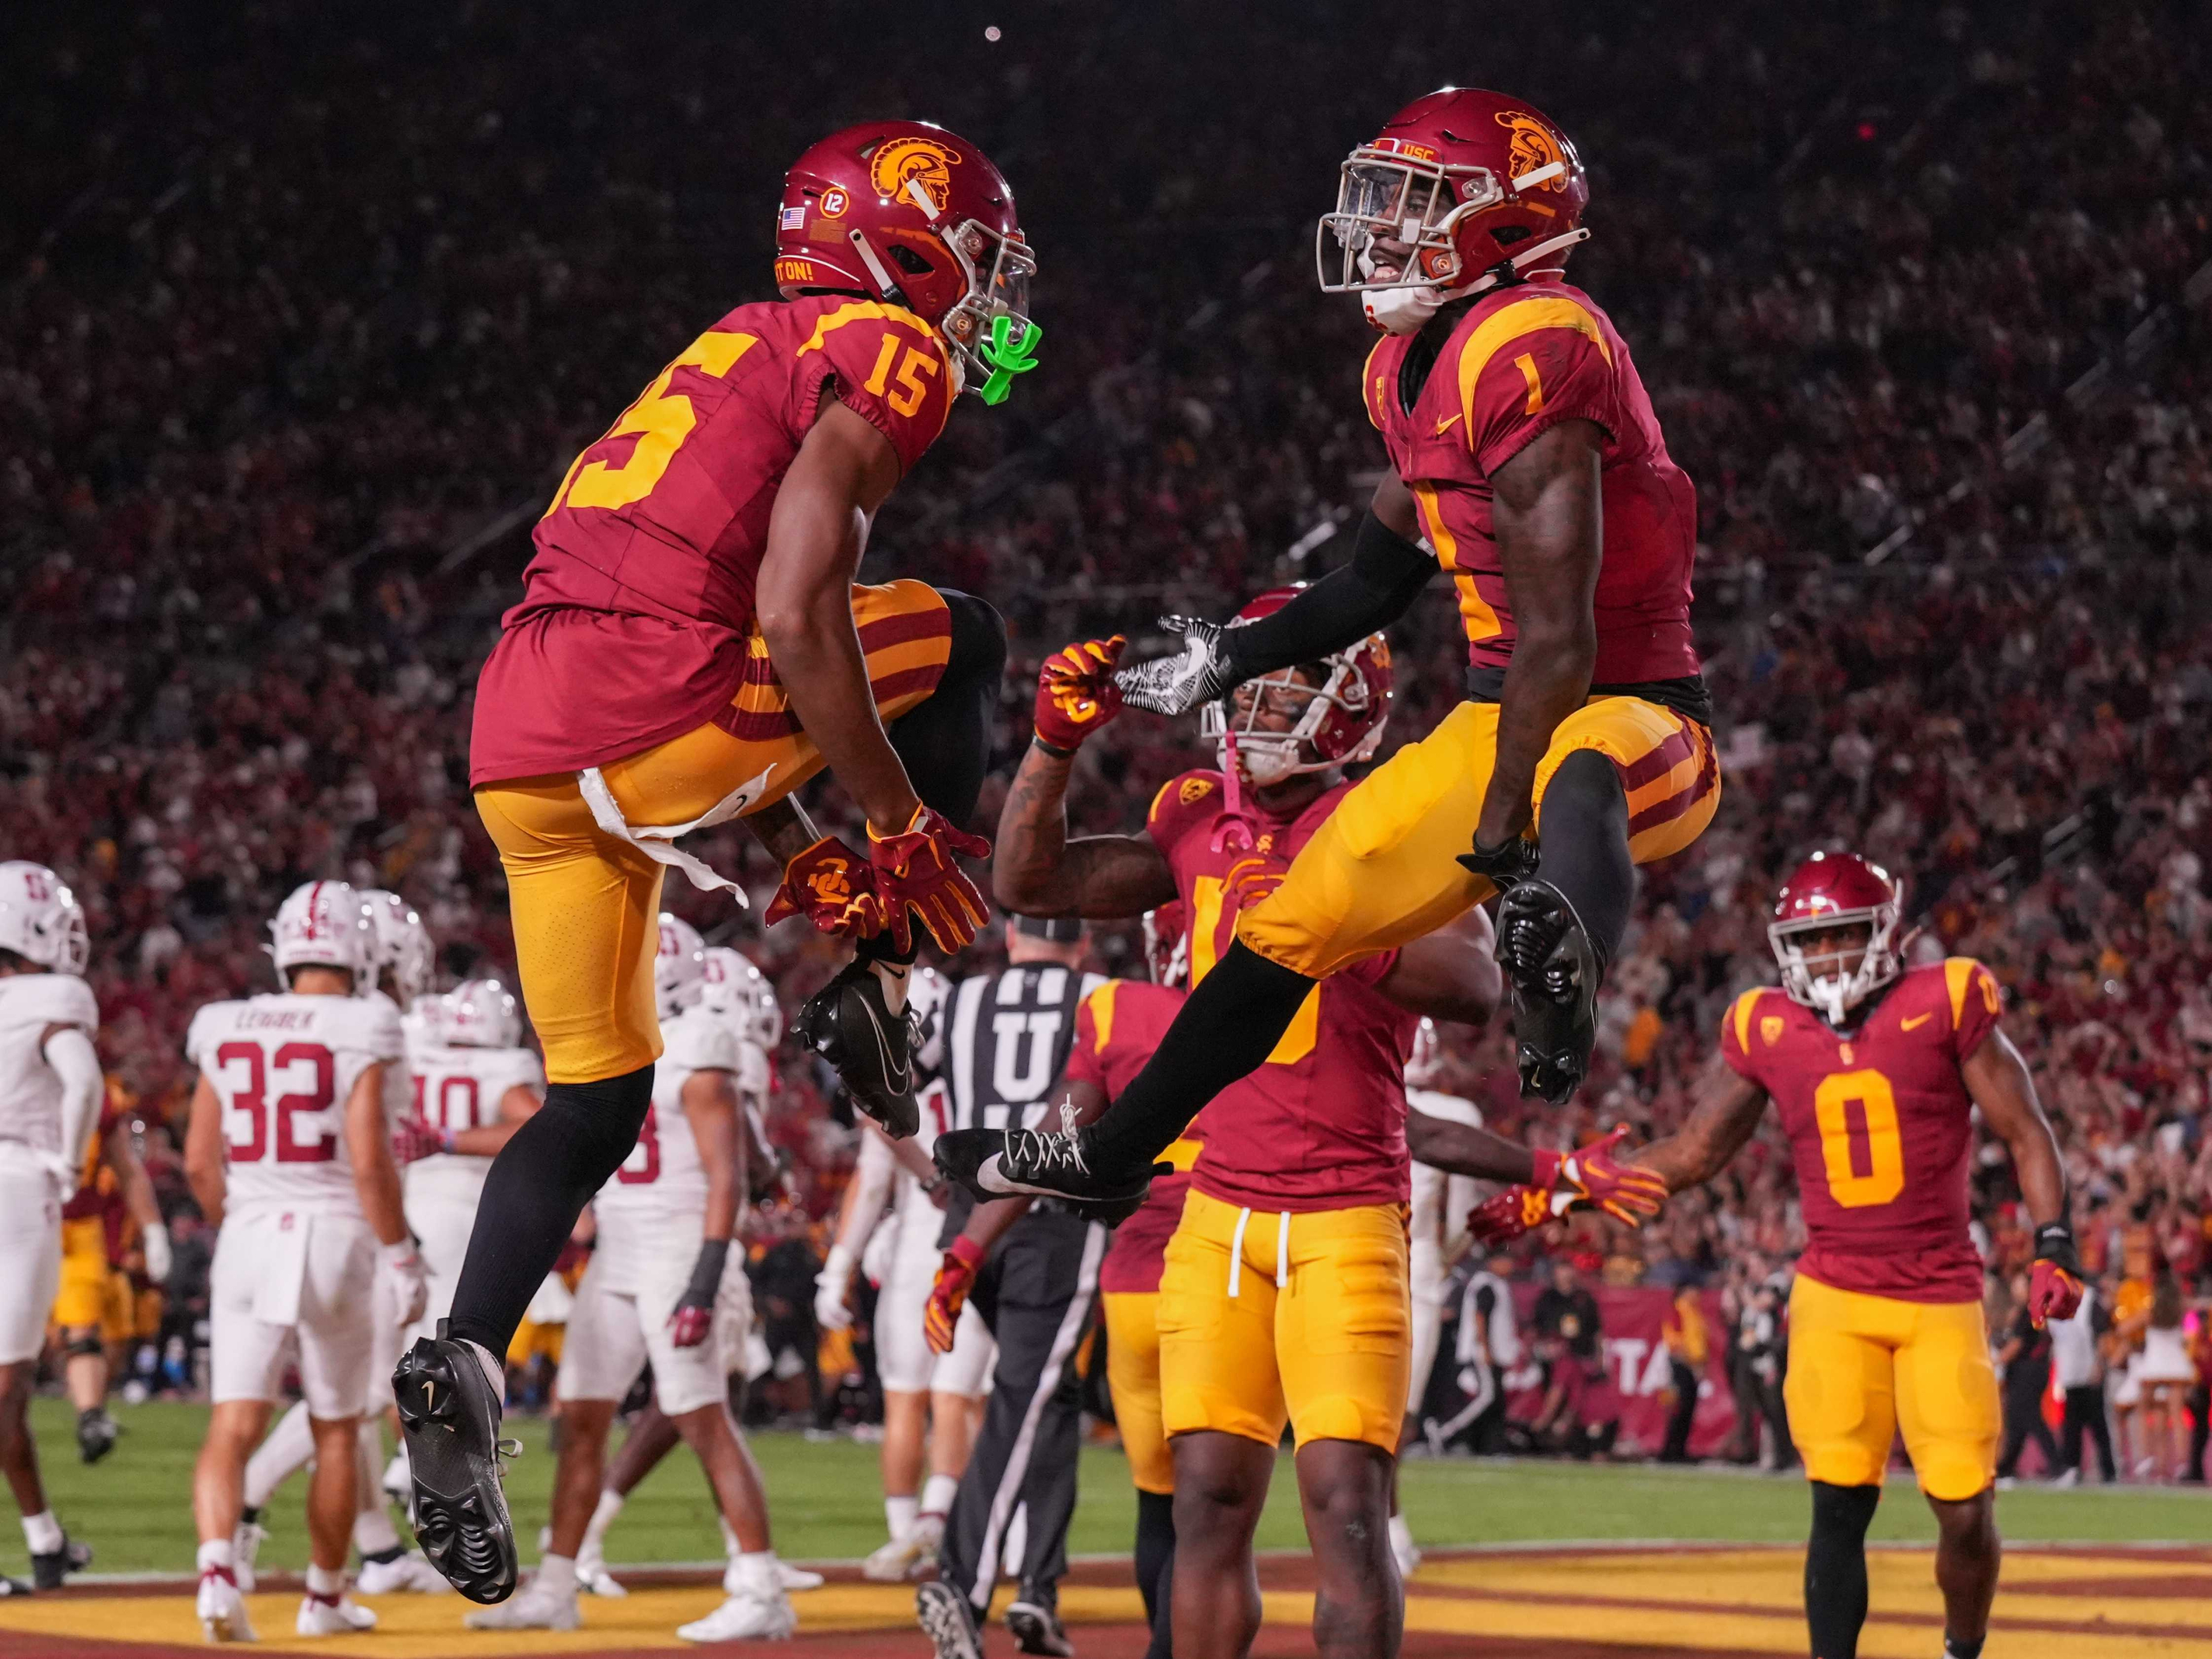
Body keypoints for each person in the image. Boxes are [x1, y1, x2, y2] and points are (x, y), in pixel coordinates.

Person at [396, 118, 1038, 1601]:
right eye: (978, 258)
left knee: (595, 1096)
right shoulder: (892, 346)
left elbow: (751, 641)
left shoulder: (737, 340)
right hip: (653, 701)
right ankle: (882, 993)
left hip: (519, 738)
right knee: (965, 637)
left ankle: (465, 1355)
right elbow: (802, 615)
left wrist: (802, 817)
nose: (984, 293)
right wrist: (890, 839)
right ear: (905, 245)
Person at [938, 88, 1718, 1217]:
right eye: (1382, 200)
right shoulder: (1411, 367)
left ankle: (1564, 975)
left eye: (1414, 203)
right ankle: (1115, 1149)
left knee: (1572, 768)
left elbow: (1560, 639)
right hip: (1505, 713)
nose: (1382, 229)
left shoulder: (1536, 340)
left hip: (1635, 712)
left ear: (1504, 224)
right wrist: (1226, 659)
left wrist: (1502, 830)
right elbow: (1368, 581)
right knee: (1287, 927)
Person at [932, 626, 1538, 1659]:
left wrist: (1335, 921)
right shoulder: (1196, 813)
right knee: (1206, 1500)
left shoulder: (1389, 820)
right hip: (1218, 1213)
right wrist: (1050, 746)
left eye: (1281, 692)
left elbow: (1480, 988)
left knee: (1345, 1502)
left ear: (1347, 709)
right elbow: (1032, 885)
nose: (1249, 712)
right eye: (1246, 691)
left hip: (1346, 1208)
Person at [1499, 851, 2081, 1659]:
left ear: (1885, 935)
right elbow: (1695, 1152)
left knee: (1964, 1509)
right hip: (1834, 1294)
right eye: (1810, 943)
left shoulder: (1944, 997)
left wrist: (2055, 1244)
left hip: (1939, 1295)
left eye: (1843, 937)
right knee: (1837, 1507)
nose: (1827, 958)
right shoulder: (1767, 1024)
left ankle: (1962, 1644)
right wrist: (1560, 1189)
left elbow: (2027, 1132)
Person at [467, 918, 798, 1641]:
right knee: (580, 1415)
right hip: (619, 1249)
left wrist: (706, 1279)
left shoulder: (702, 1044)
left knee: (701, 1413)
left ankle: (760, 1584)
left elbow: (728, 1176)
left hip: (681, 1246)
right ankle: (557, 1584)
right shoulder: (609, 1045)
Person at [182, 880, 429, 1642]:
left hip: (250, 1231)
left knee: (231, 1423)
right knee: (335, 1429)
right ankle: (323, 1597)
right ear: (359, 952)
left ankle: (218, 1572)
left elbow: (197, 1162)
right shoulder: (366, 1020)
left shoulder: (222, 1022)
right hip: (335, 1233)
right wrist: (400, 1252)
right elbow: (368, 1160)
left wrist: (243, 1222)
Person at [234, 893, 457, 1598]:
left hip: (316, 1221)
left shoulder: (349, 1024)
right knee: (355, 1399)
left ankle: (379, 1552)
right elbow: (377, 1150)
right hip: (367, 1225)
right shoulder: (378, 1027)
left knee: (350, 1400)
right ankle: (243, 1499)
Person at [911, 916, 1108, 1659]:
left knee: (1050, 1398)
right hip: (1053, 1221)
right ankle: (962, 1585)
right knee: (1026, 1397)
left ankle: (1040, 1587)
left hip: (970, 1217)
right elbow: (1094, 1103)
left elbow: (881, 1087)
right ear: (1084, 942)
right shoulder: (1101, 995)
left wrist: (929, 1170)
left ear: (1014, 934)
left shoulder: (962, 998)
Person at [813, 969, 998, 1584]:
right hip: (964, 1241)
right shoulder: (978, 1079)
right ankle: (942, 1529)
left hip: (919, 1244)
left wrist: (839, 1266)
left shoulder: (891, 1095)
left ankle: (906, 1537)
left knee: (907, 1398)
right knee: (957, 1399)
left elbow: (871, 1177)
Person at [0, 861, 100, 1597]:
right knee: (7, 1390)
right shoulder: (52, 996)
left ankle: (45, 1543)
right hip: (17, 1185)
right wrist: (66, 1161)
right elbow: (84, 1080)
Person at [51, 1084, 170, 1464]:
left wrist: (153, 1231)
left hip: (80, 1228)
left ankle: (90, 1416)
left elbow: (129, 1171)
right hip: (18, 1215)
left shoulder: (98, 1094)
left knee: (89, 1330)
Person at [2047, 1281, 2114, 1484]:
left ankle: (2108, 1471)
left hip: (2089, 1370)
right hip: (2070, 1371)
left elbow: (2102, 1335)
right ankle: (2072, 1467)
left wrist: (2099, 1364)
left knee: (2098, 1424)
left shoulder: (2089, 1301)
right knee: (2072, 1424)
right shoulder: (2058, 1302)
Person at [1995, 1270, 2059, 1481]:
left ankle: (2056, 1463)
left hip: (2027, 1370)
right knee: (2016, 1419)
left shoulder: (2027, 1313)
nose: (2015, 1289)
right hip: (2035, 1370)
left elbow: (2016, 1344)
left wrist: (1995, 1361)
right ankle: (2007, 1466)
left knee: (2030, 1417)